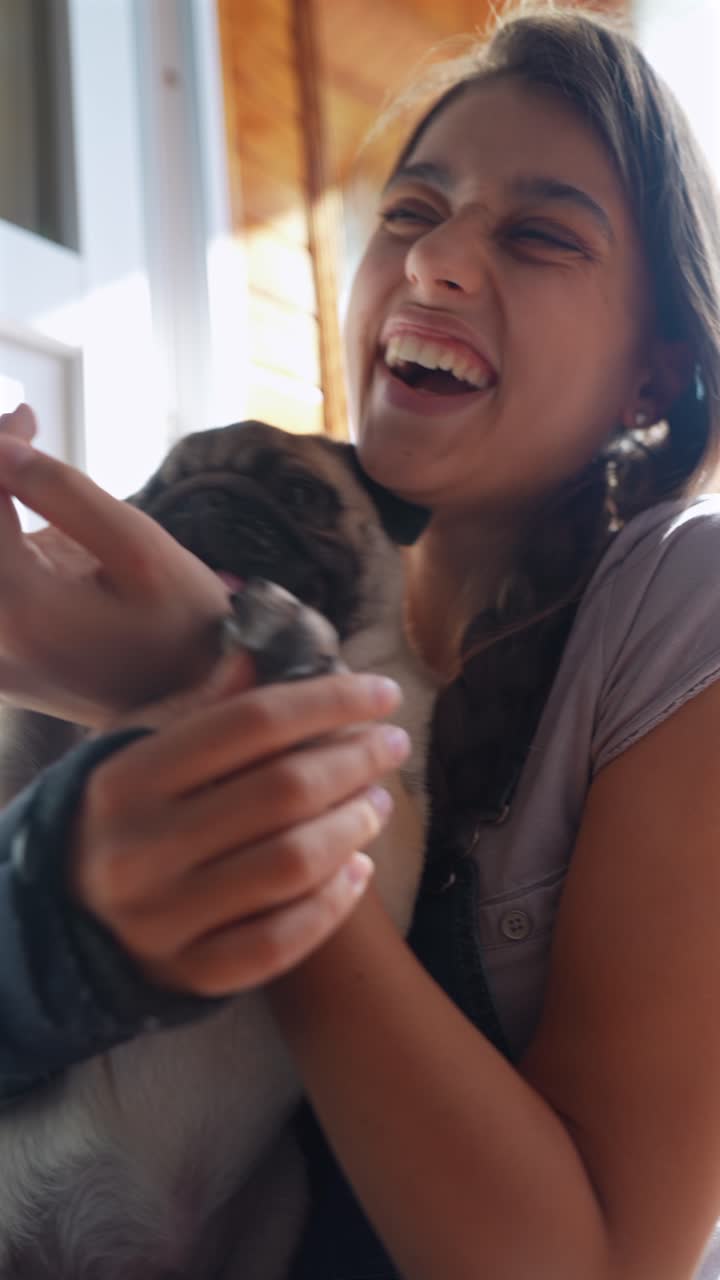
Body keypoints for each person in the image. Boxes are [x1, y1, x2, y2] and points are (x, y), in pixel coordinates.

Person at [0, 3, 720, 1276]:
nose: (435, 263)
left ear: (654, 376)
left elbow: (602, 1263)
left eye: (541, 234)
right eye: (409, 211)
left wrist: (213, 711)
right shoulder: (270, 575)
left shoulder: (685, 596)